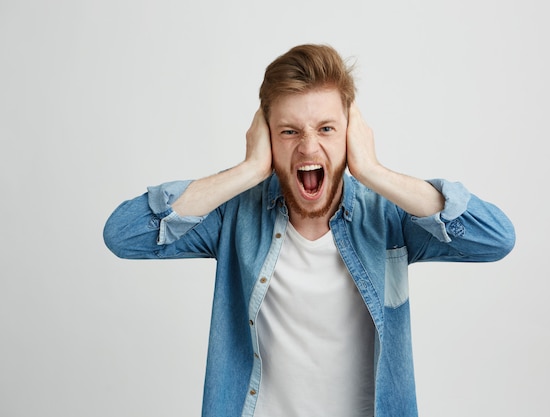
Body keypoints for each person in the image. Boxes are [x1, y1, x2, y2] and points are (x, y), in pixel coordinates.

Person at [104, 44, 515, 417]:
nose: (307, 147)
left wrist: (371, 170)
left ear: (351, 133)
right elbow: (123, 234)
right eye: (289, 131)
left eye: (326, 128)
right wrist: (248, 170)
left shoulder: (390, 217)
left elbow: (495, 239)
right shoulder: (236, 216)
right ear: (267, 137)